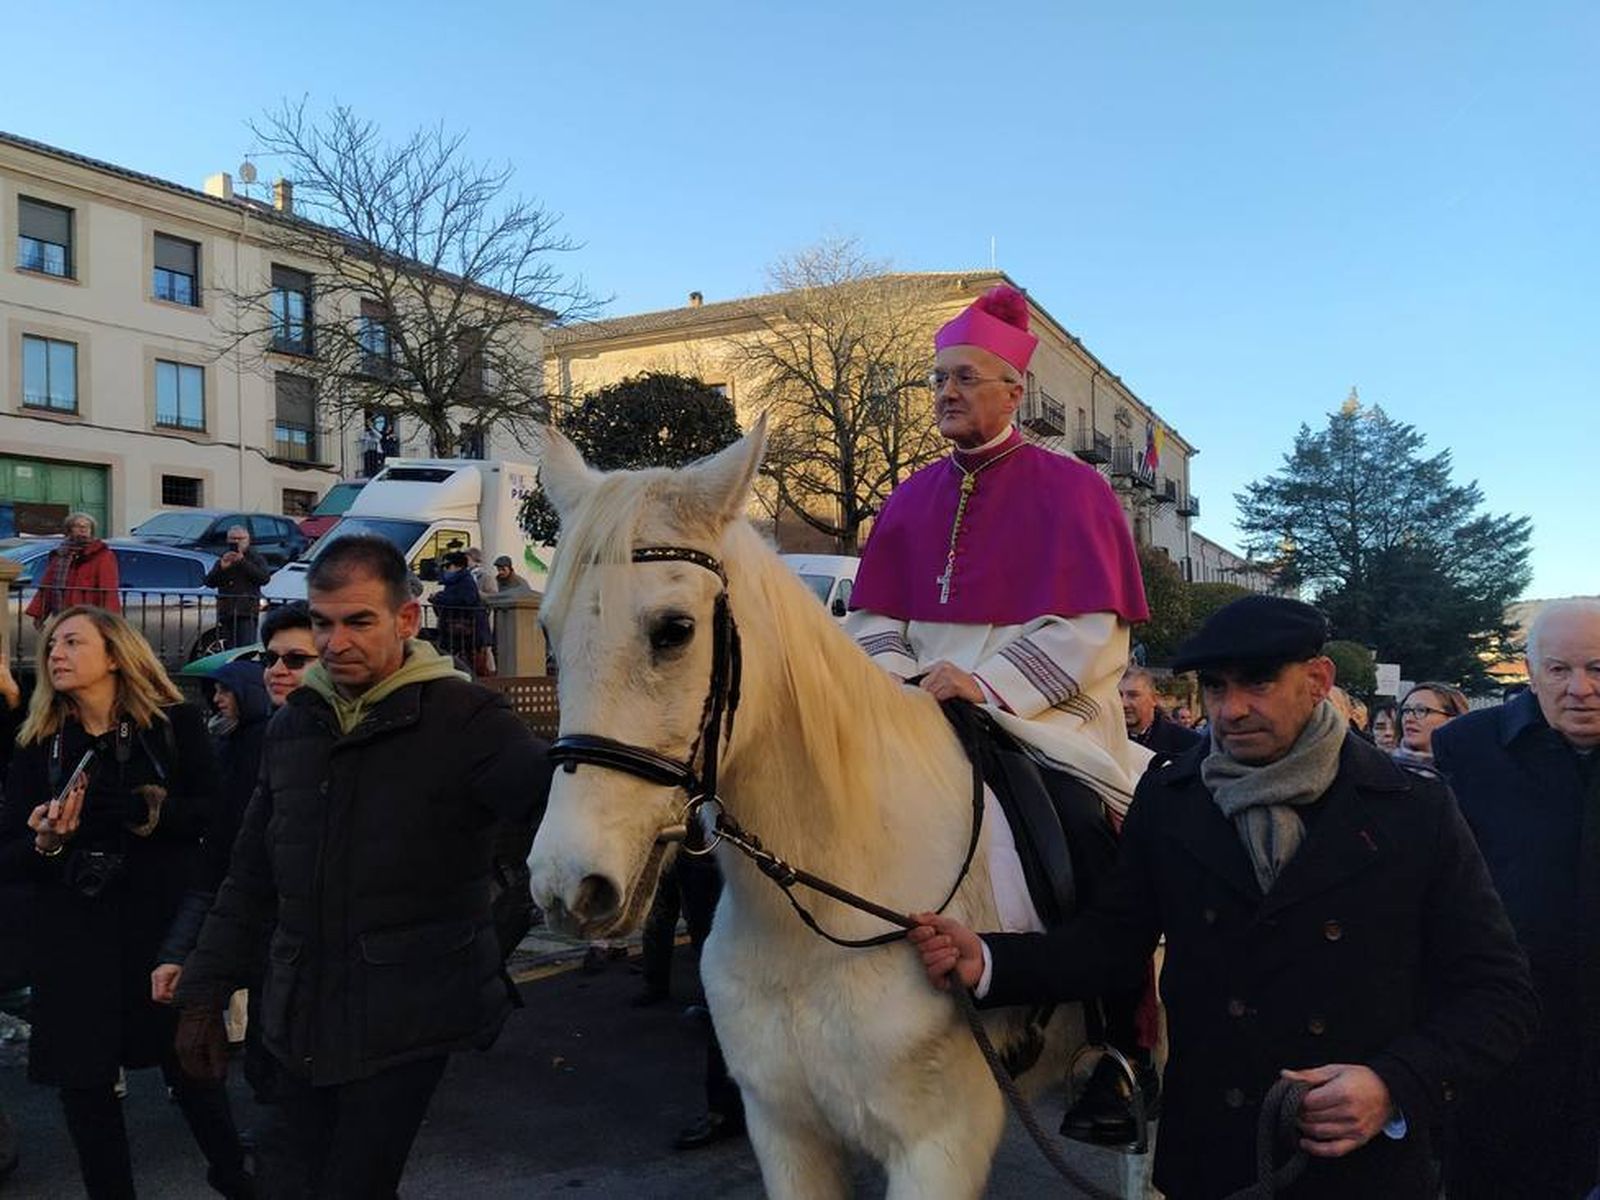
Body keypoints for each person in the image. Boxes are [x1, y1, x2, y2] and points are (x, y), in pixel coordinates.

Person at [912, 594, 1539, 1200]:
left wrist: (1393, 1084)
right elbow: (1110, 945)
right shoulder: (1171, 797)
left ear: (1319, 679)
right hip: (1215, 1156)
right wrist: (991, 962)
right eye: (1215, 688)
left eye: (1257, 684)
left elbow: (1498, 995)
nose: (1231, 709)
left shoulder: (1414, 807)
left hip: (1361, 1166)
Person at [845, 283, 1154, 1141]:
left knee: (1086, 829)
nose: (945, 392)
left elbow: (1095, 627)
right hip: (915, 708)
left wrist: (986, 685)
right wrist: (907, 680)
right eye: (937, 379)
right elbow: (871, 617)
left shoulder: (1077, 489)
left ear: (1013, 393)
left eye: (964, 378)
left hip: (1043, 714)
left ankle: (1113, 1047)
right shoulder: (907, 499)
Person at [172, 534, 551, 1198]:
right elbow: (252, 874)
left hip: (406, 1020)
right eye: (322, 622)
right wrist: (205, 991)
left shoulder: (467, 718)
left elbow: (553, 820)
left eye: (358, 621)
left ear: (406, 620)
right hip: (298, 1014)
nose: (333, 642)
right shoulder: (295, 726)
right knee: (283, 1183)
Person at [0, 607, 251, 1198]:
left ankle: (236, 1175)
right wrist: (47, 842)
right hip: (73, 934)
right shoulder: (38, 742)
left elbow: (214, 815)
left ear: (114, 655)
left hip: (155, 926)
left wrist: (143, 810)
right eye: (52, 644)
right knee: (83, 1085)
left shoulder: (173, 725)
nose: (56, 653)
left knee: (189, 1069)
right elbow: (9, 851)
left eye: (72, 642)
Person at [1433, 598, 1600, 1199]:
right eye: (1559, 670)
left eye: (1599, 669)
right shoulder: (1467, 751)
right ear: (1530, 674)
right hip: (1508, 1039)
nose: (1580, 689)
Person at [26, 512, 120, 627]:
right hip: (61, 613)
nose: (83, 529)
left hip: (89, 614)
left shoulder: (102, 555)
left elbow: (108, 588)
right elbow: (47, 586)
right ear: (69, 530)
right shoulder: (60, 555)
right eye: (78, 526)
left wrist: (109, 618)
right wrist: (39, 614)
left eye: (86, 526)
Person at [204, 526, 272, 650]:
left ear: (248, 540)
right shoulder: (224, 558)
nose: (237, 542)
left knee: (245, 648)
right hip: (226, 611)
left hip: (246, 611)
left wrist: (242, 562)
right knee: (228, 647)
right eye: (233, 539)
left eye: (240, 538)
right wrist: (222, 568)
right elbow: (210, 581)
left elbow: (264, 578)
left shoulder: (256, 558)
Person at [432, 549, 493, 675]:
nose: (445, 569)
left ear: (458, 566)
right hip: (456, 629)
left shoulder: (465, 581)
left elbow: (465, 600)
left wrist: (439, 598)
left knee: (470, 665)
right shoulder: (455, 581)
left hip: (466, 631)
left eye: (448, 566)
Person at [1121, 665, 1204, 757]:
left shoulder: (1189, 742)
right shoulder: (1106, 740)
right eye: (1119, 695)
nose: (1124, 703)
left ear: (1154, 699)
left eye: (1133, 695)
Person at [1391, 681, 1468, 776]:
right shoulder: (1385, 768)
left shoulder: (1471, 773)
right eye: (1406, 711)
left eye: (1421, 710)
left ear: (1452, 720)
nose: (1408, 719)